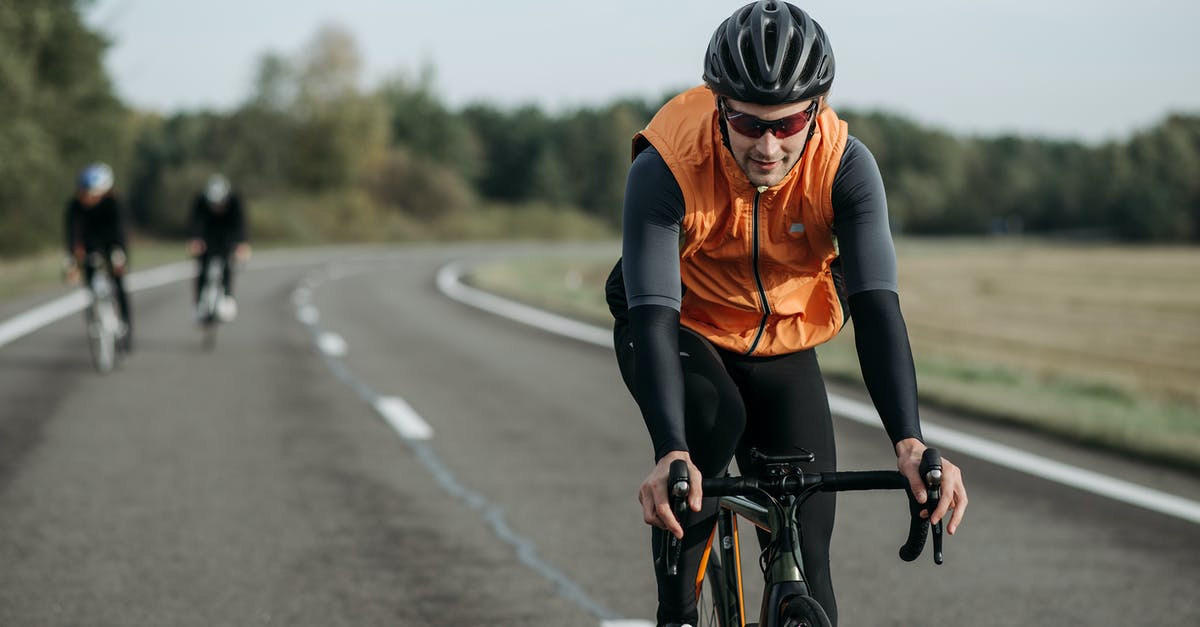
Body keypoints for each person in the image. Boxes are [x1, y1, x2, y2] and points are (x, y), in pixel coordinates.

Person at [603, 3, 968, 625]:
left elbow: (877, 307)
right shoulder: (665, 165)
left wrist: (910, 441)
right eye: (746, 122)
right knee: (705, 446)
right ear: (719, 105)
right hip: (683, 327)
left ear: (817, 109)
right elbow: (655, 313)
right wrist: (671, 453)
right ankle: (680, 610)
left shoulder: (846, 168)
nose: (768, 145)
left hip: (783, 341)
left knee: (807, 544)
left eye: (789, 122)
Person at [64, 162, 133, 350]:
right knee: (91, 286)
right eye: (85, 191)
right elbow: (71, 234)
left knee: (119, 286)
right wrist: (71, 261)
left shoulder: (113, 204)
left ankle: (126, 329)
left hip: (112, 246)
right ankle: (94, 320)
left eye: (92, 192)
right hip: (89, 249)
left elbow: (120, 232)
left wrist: (120, 255)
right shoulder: (75, 206)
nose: (88, 196)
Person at [187, 174, 250, 322]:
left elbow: (240, 225)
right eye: (213, 205)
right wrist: (195, 240)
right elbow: (195, 222)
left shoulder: (235, 202)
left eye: (220, 205)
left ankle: (227, 296)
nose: (217, 208)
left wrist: (242, 244)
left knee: (229, 261)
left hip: (227, 234)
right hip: (208, 233)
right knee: (201, 266)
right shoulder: (200, 201)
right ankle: (198, 303)